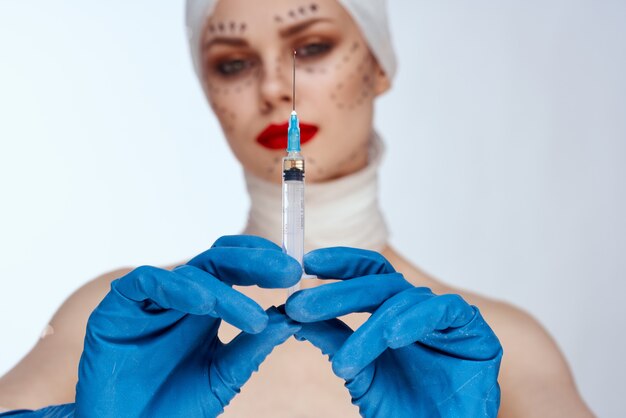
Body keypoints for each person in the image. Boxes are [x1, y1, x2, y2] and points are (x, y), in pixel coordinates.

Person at [0, 0, 594, 416]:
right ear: (206, 88)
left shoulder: (488, 348)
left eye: (311, 47)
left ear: (380, 62)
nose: (273, 88)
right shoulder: (128, 322)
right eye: (232, 62)